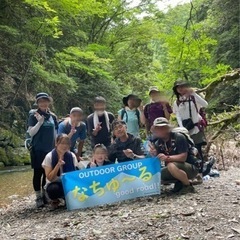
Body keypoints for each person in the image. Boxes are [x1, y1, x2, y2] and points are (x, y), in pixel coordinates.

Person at [149, 117, 199, 194]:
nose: (160, 130)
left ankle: (188, 186)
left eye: (162, 127)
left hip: (190, 166)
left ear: (168, 128)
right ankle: (180, 183)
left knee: (171, 166)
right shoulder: (158, 143)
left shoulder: (178, 137)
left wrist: (167, 158)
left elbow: (183, 157)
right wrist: (154, 154)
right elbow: (157, 162)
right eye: (157, 128)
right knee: (157, 173)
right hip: (172, 168)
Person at [28, 92, 58, 208]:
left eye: (45, 101)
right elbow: (31, 132)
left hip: (49, 150)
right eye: (41, 101)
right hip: (37, 149)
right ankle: (38, 197)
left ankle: (45, 194)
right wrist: (39, 122)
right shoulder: (33, 115)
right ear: (37, 103)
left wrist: (57, 147)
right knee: (37, 173)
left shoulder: (53, 116)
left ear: (48, 102)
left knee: (47, 173)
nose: (43, 103)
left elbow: (55, 132)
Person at [172, 80, 208, 170]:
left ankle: (200, 171)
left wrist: (194, 94)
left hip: (196, 127)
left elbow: (205, 104)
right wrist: (182, 128)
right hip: (185, 129)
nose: (180, 89)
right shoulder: (177, 102)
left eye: (182, 86)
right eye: (178, 87)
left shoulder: (193, 97)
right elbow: (178, 115)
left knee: (198, 148)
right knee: (188, 150)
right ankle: (192, 170)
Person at [42, 134, 80, 210]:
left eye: (67, 143)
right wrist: (58, 165)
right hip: (55, 183)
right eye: (62, 143)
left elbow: (76, 174)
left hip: (68, 182)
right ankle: (55, 200)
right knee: (53, 189)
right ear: (56, 144)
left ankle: (68, 199)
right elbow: (49, 178)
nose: (64, 146)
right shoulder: (49, 156)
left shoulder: (72, 156)